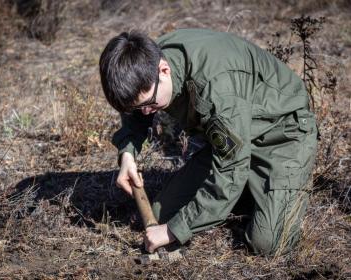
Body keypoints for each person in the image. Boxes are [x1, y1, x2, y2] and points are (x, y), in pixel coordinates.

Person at [99, 29, 318, 256]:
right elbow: (136, 109)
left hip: (282, 136)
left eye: (149, 104)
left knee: (268, 243)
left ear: (163, 70)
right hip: (234, 137)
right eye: (137, 107)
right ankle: (247, 190)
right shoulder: (144, 61)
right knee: (160, 214)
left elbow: (231, 168)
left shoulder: (217, 87)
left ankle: (262, 188)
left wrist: (174, 231)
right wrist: (127, 154)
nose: (145, 112)